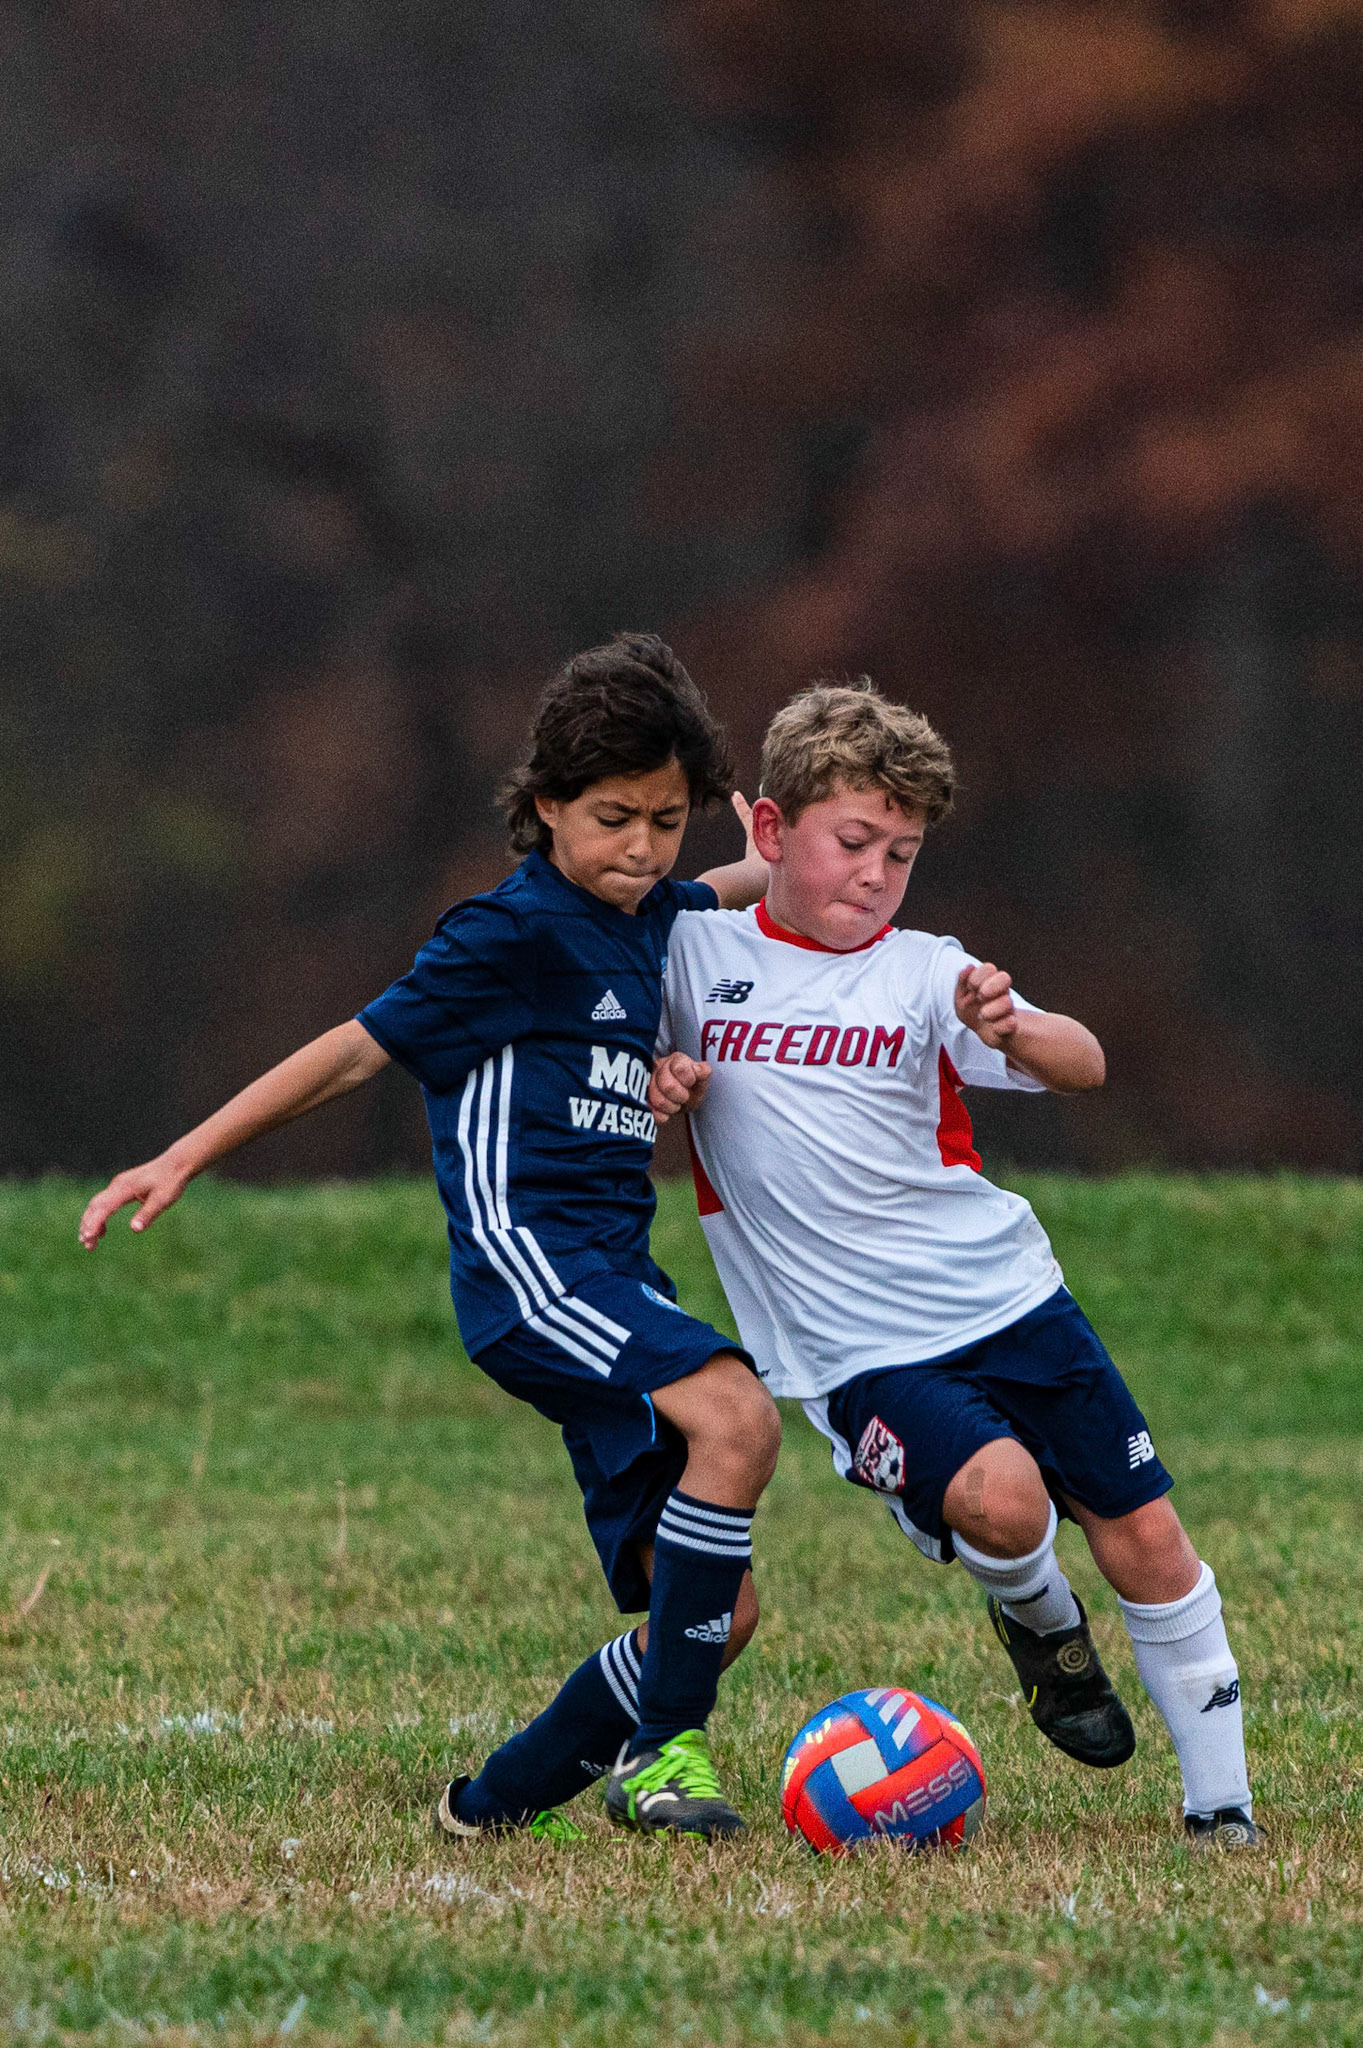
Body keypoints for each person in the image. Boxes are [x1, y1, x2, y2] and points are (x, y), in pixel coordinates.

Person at [79, 632, 780, 1844]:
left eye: (667, 821)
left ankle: (490, 1805)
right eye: (614, 818)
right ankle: (664, 1757)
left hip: (616, 1275)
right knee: (738, 1416)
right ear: (547, 803)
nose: (642, 847)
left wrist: (830, 843)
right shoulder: (505, 934)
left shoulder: (648, 913)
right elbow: (353, 1050)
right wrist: (185, 1152)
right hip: (533, 1269)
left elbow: (732, 884)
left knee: (713, 1612)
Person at [650, 681, 1257, 1851]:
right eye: (851, 841)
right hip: (856, 1351)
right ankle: (1041, 1620)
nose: (875, 874)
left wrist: (1010, 1024)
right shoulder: (690, 955)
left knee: (1145, 1535)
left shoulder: (927, 970)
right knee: (1002, 1498)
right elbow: (608, 1037)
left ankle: (1220, 1806)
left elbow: (1084, 1061)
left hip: (1011, 1300)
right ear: (770, 828)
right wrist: (656, 1083)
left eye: (902, 852)